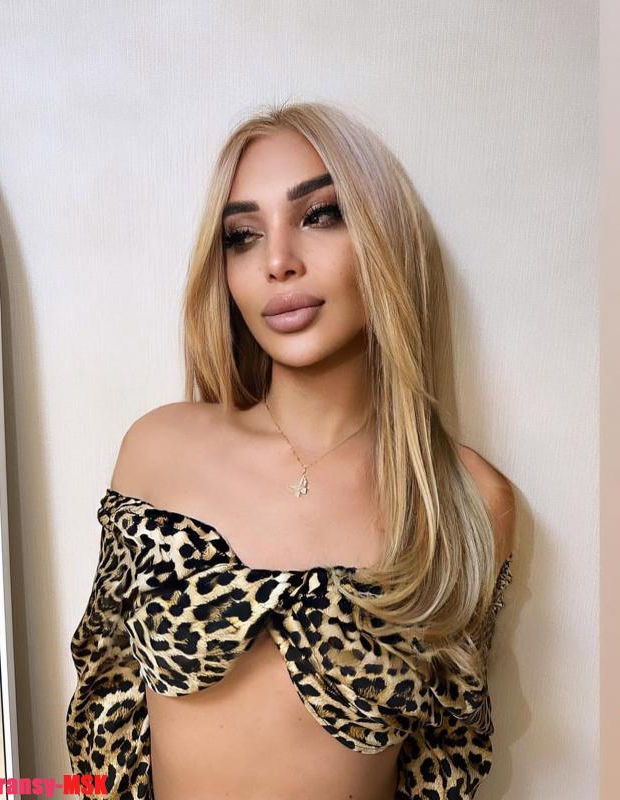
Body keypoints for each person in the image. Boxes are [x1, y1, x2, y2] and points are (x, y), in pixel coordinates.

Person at [66, 101, 516, 800]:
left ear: (383, 237)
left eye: (320, 215)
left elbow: (444, 761)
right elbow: (105, 714)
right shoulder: (158, 451)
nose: (277, 262)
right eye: (242, 236)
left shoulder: (465, 499)